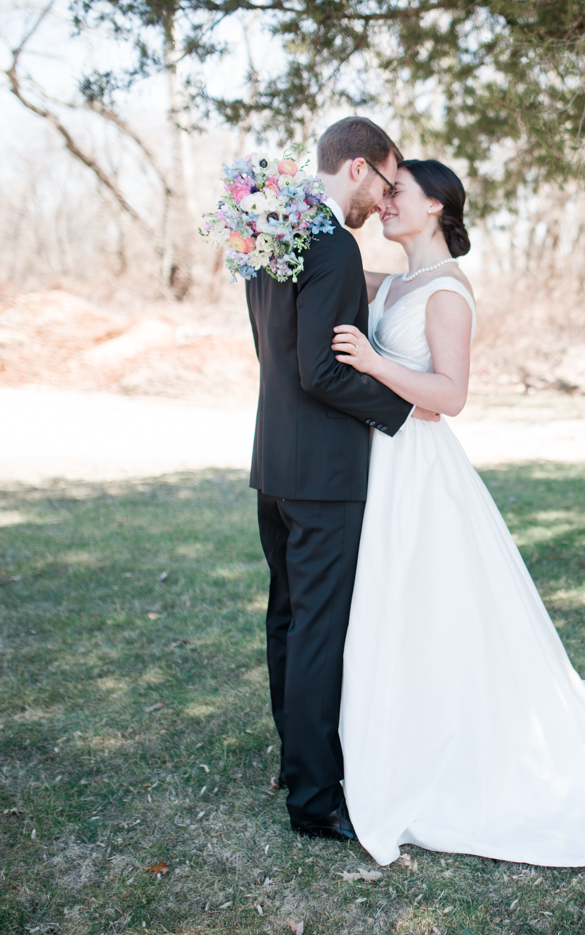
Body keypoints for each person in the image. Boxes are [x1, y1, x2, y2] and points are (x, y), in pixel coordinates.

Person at [329, 158, 585, 867]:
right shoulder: (394, 280)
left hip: (420, 467)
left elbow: (448, 395)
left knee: (430, 608)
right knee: (392, 609)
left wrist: (370, 361)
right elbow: (326, 267)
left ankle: (441, 752)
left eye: (398, 194)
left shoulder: (449, 292)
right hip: (383, 463)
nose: (385, 203)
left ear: (436, 208)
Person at [247, 116, 437, 842]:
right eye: (386, 181)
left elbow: (273, 351)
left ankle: (298, 766)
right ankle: (316, 798)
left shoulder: (274, 235)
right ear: (356, 168)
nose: (385, 198)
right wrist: (403, 405)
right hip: (325, 471)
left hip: (275, 460)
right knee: (319, 629)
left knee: (288, 620)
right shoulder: (329, 244)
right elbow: (321, 369)